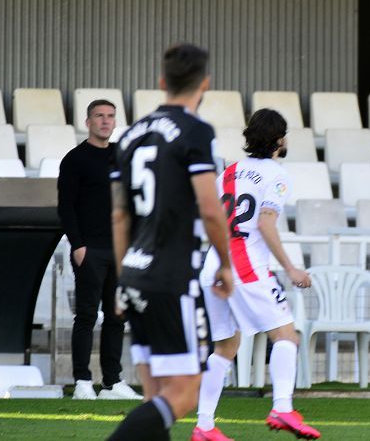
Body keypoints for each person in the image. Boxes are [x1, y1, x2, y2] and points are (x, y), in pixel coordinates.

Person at [107, 44, 235, 440]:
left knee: (155, 397)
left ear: (162, 82)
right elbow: (211, 210)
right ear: (205, 85)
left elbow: (118, 214)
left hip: (135, 272)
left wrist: (122, 277)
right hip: (172, 276)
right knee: (183, 394)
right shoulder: (197, 132)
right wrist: (227, 264)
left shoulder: (130, 136)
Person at [194, 109, 320, 441]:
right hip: (245, 266)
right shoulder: (276, 175)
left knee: (224, 349)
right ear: (279, 140)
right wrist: (291, 267)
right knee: (287, 336)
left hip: (215, 265)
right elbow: (264, 224)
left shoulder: (230, 171)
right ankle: (282, 406)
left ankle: (204, 425)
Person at [58, 99, 141, 400]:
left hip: (120, 251)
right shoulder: (75, 159)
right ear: (88, 121)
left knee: (117, 316)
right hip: (89, 250)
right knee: (87, 316)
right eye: (99, 116)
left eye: (110, 116)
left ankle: (112, 382)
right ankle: (82, 381)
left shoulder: (122, 157)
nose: (105, 121)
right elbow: (66, 207)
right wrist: (78, 245)